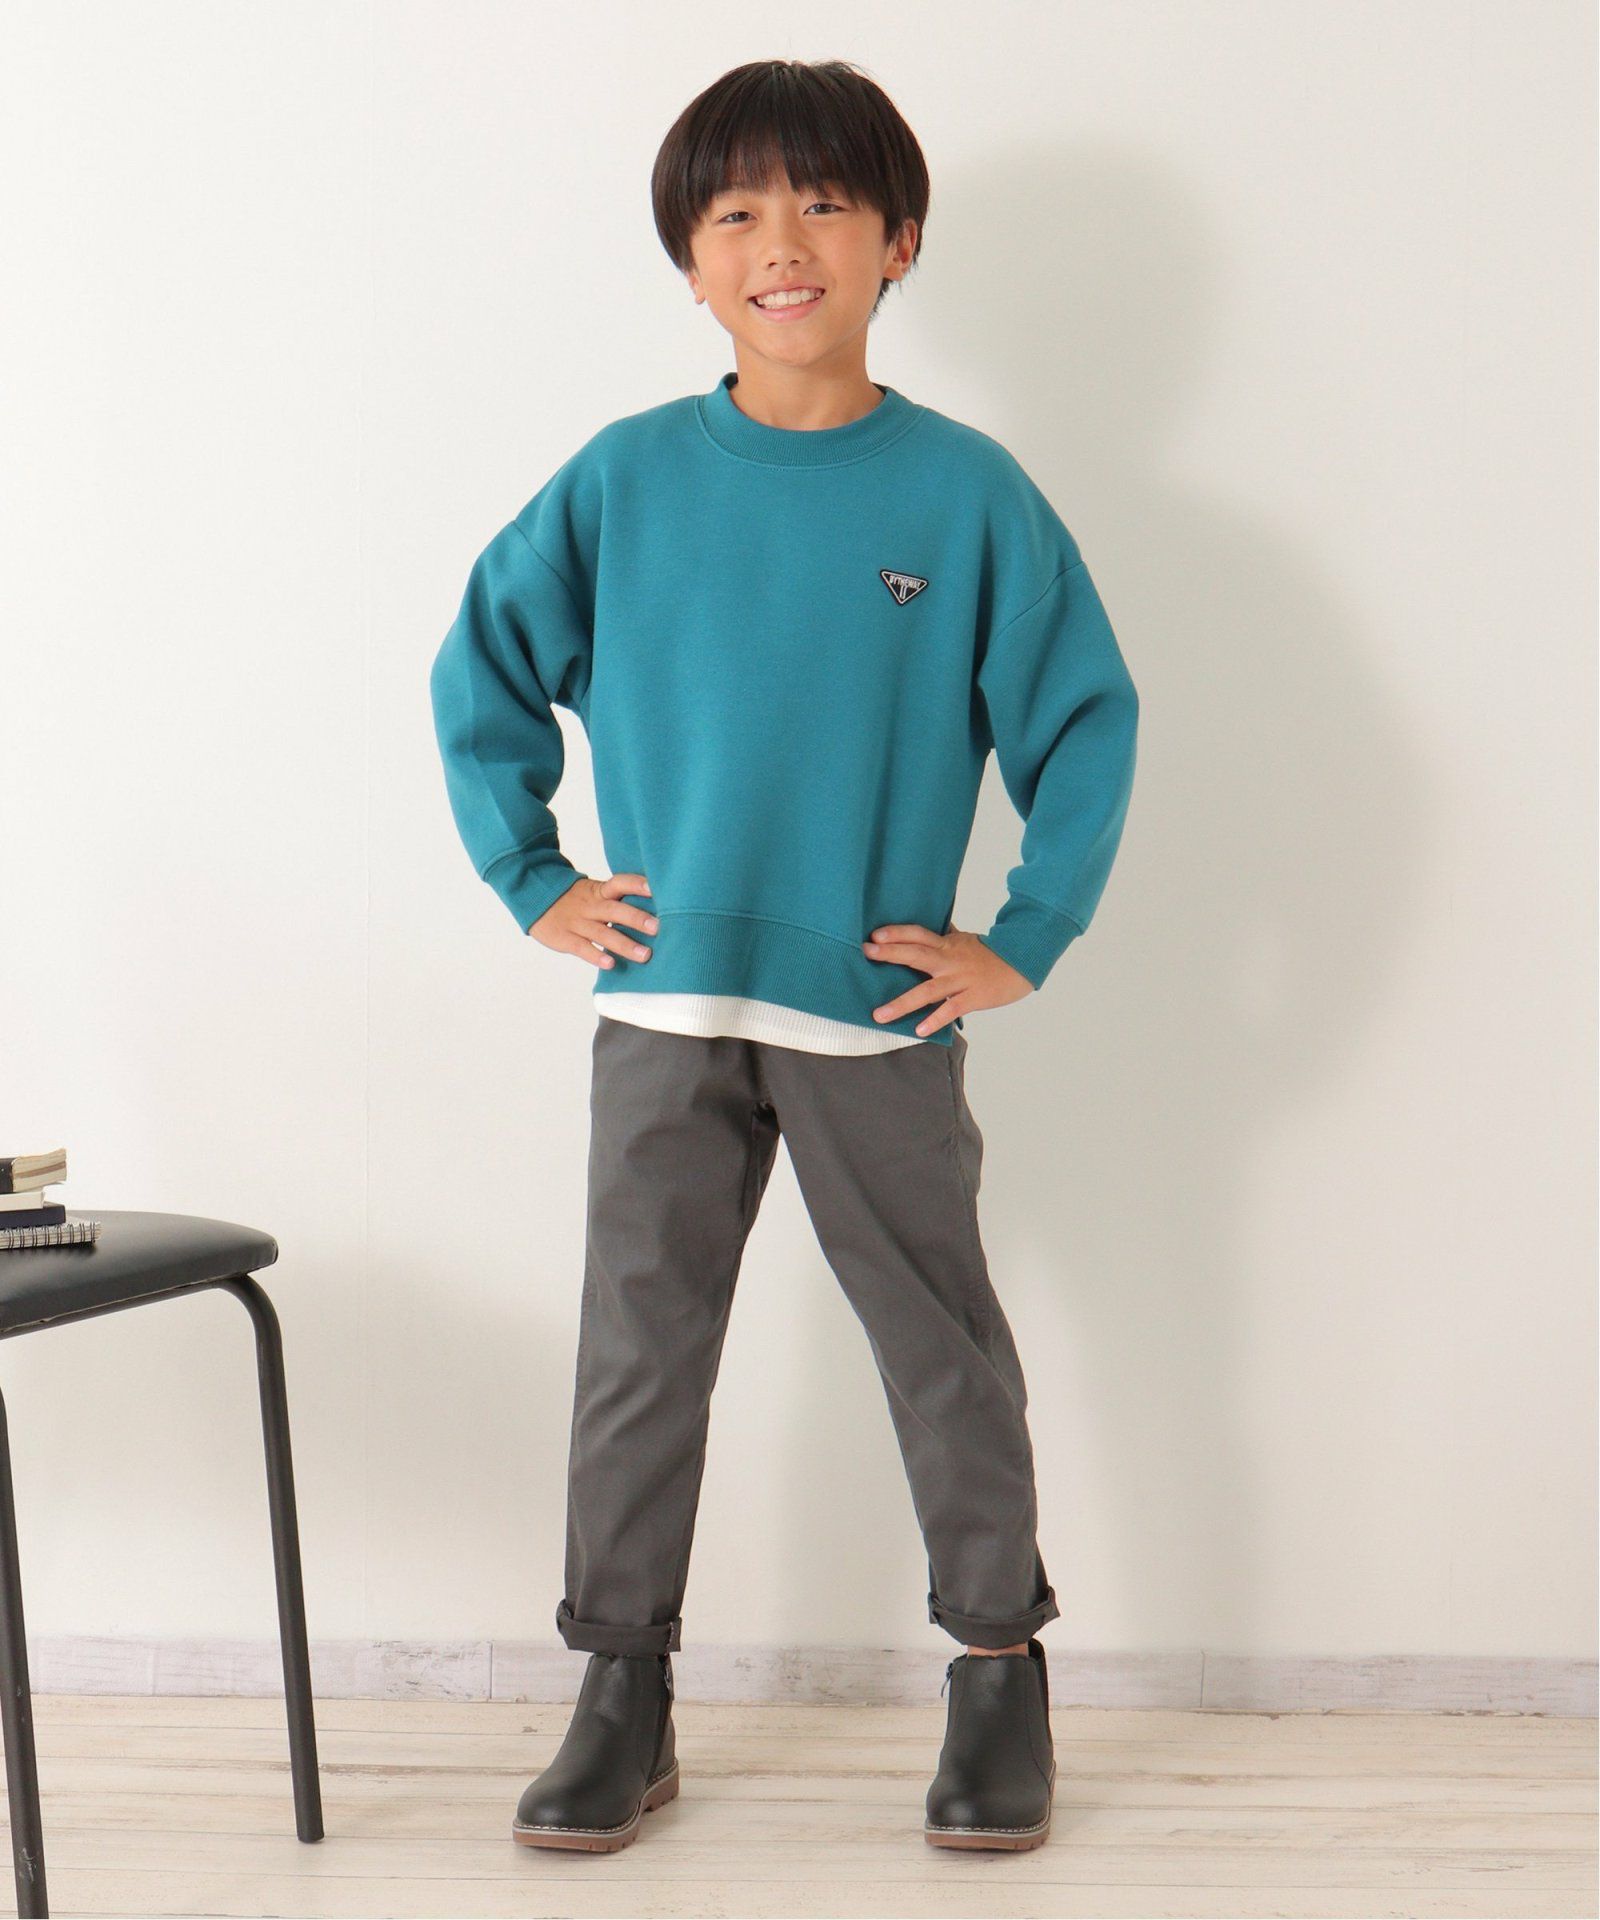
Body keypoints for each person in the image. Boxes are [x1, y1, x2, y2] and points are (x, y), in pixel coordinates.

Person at [428, 56, 1139, 1856]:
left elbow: (1086, 722)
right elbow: (484, 664)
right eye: (736, 211)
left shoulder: (967, 495)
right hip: (664, 999)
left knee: (941, 1349)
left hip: (876, 1010)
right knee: (639, 1353)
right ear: (690, 260)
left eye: (824, 203)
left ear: (900, 239)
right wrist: (531, 875)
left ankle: (998, 1671)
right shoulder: (624, 480)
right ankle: (622, 1693)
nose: (781, 243)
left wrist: (1027, 934)